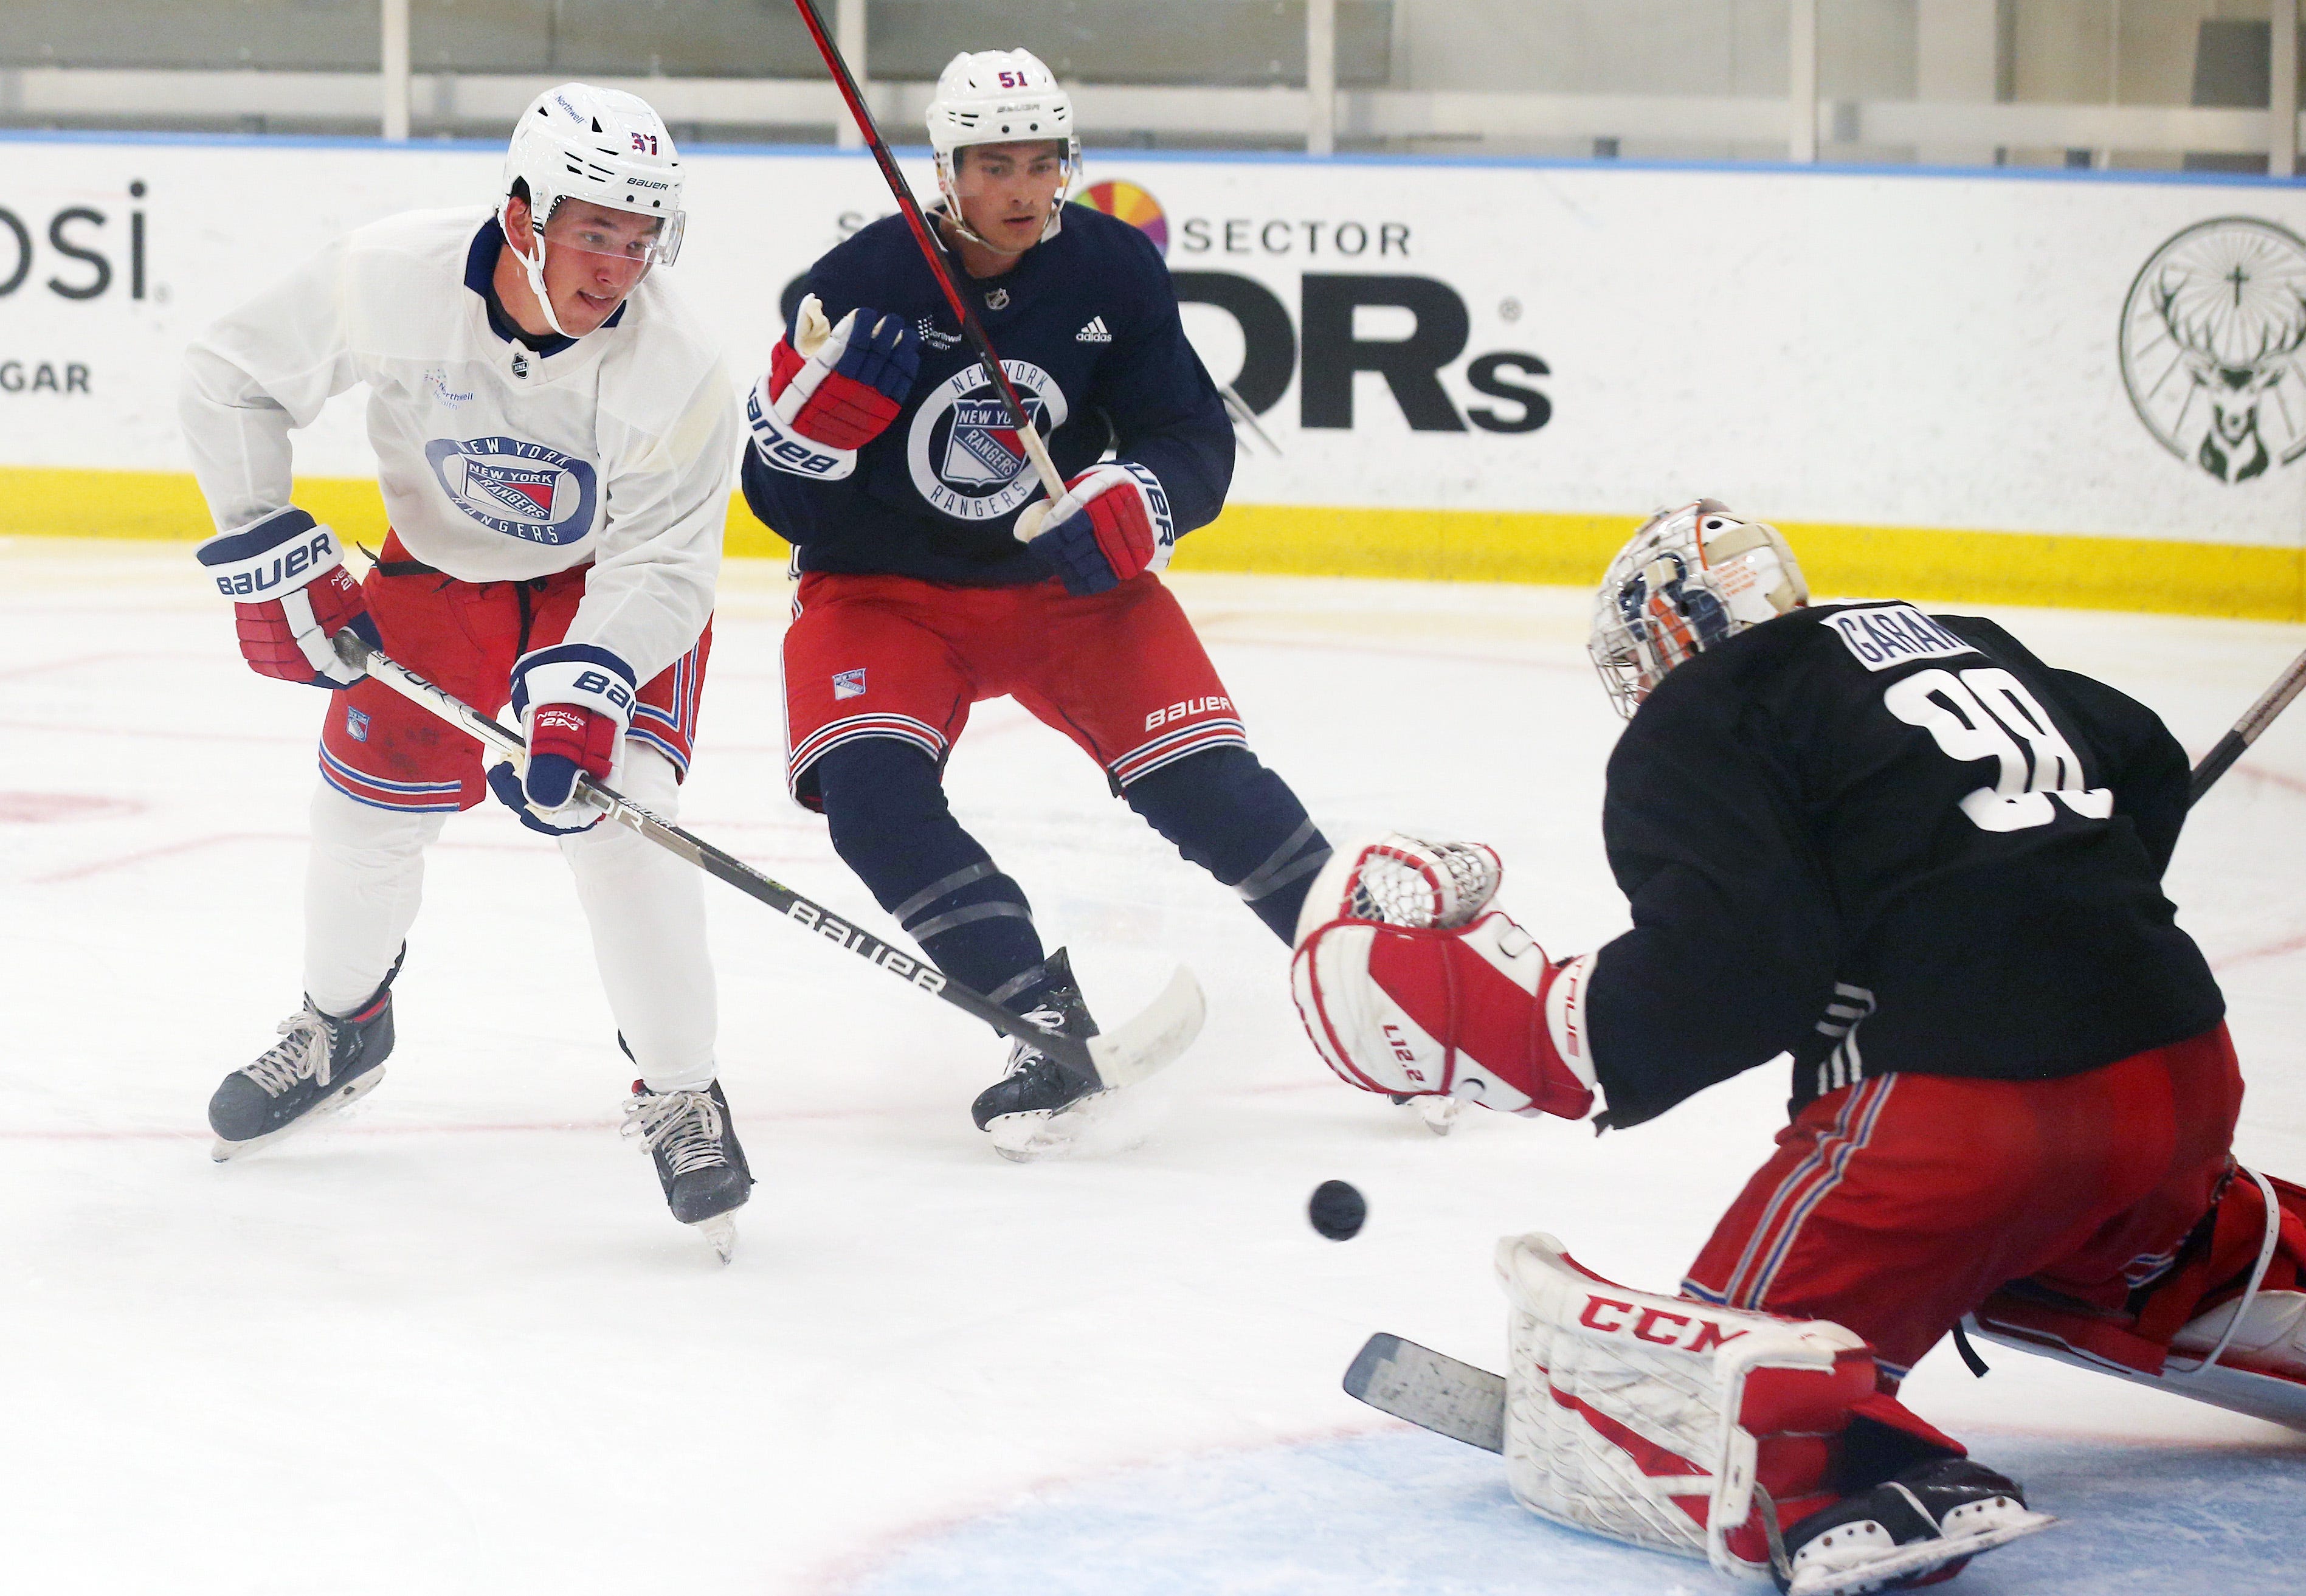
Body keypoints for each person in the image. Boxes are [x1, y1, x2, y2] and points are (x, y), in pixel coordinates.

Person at [1288, 500, 2306, 1592]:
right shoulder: (1953, 635)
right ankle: (2221, 1261)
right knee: (2106, 1221)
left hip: (1955, 1125)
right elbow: (2145, 757)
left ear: (1668, 636)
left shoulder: (1708, 708)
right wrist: (2061, 893)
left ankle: (1837, 1467)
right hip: (2183, 1082)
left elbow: (1734, 966)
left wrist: (1551, 1032)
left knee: (1739, 1369)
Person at [181, 83, 754, 1255]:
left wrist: (588, 685)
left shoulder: (682, 362)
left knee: (625, 817)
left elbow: (665, 564)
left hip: (609, 592)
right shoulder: (389, 273)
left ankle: (683, 1090)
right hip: (440, 568)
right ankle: (343, 1029)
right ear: (522, 213)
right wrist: (261, 545)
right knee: (359, 810)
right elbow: (227, 376)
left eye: (641, 238)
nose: (618, 265)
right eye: (595, 230)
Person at [740, 49, 1331, 1159]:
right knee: (871, 799)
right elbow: (775, 502)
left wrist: (1143, 498)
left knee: (1211, 789)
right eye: (994, 165)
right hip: (883, 594)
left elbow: (1191, 435)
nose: (1022, 189)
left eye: (1041, 163)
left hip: (1067, 589)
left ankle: (1382, 983)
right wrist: (812, 438)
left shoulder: (1111, 269)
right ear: (944, 170)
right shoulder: (858, 283)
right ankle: (1034, 1012)